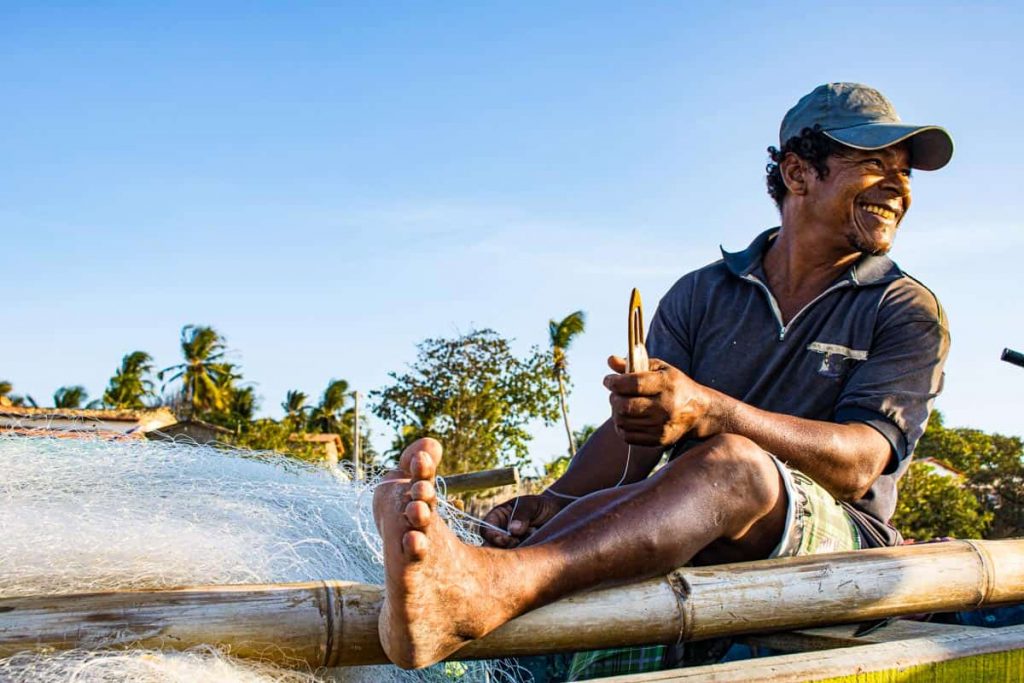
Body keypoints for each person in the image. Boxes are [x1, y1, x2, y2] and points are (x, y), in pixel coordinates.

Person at [372, 82, 953, 672]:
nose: (897, 187)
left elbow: (859, 466)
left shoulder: (902, 308)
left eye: (904, 173)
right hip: (695, 532)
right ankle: (461, 581)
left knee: (734, 465)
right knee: (581, 526)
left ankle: (494, 587)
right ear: (800, 173)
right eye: (875, 164)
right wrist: (551, 503)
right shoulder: (704, 292)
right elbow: (638, 433)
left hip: (842, 552)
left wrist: (710, 409)